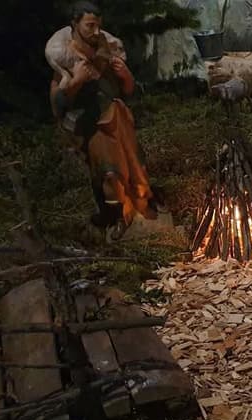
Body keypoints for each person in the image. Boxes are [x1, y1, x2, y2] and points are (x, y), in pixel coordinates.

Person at [47, 1, 161, 240]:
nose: (96, 32)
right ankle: (118, 216)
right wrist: (76, 81)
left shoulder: (106, 50)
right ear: (75, 25)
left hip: (116, 117)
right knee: (110, 172)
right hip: (90, 124)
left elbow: (127, 90)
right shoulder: (66, 60)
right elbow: (58, 103)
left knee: (134, 163)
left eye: (98, 26)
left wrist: (125, 75)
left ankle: (141, 203)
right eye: (90, 25)